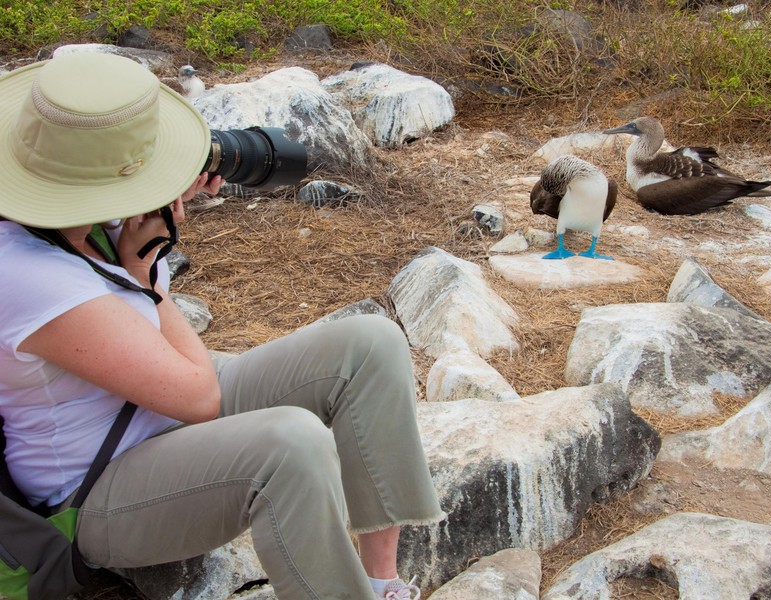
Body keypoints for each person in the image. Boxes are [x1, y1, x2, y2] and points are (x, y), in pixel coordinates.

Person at [0, 52, 445, 600]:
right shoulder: (25, 271)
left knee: (370, 343)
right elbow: (199, 397)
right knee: (291, 445)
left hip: (158, 409)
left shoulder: (88, 219)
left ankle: (381, 583)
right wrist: (146, 279)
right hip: (97, 493)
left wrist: (153, 209)